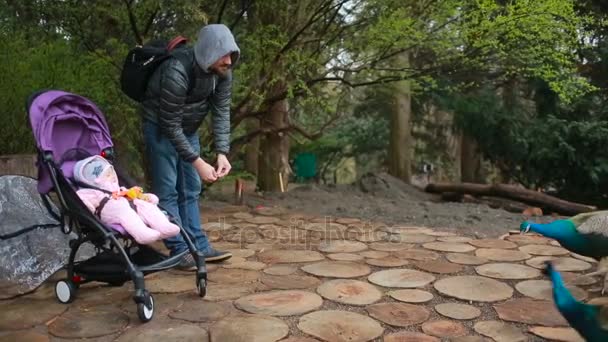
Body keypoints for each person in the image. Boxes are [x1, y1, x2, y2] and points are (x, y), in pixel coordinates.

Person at [140, 24, 240, 269]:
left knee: (191, 188)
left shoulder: (223, 72)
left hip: (188, 128)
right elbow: (170, 124)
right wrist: (198, 162)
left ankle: (198, 245)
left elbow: (221, 111)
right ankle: (179, 249)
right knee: (168, 190)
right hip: (161, 127)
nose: (228, 61)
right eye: (223, 54)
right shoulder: (176, 69)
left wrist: (221, 153)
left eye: (231, 54)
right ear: (208, 51)